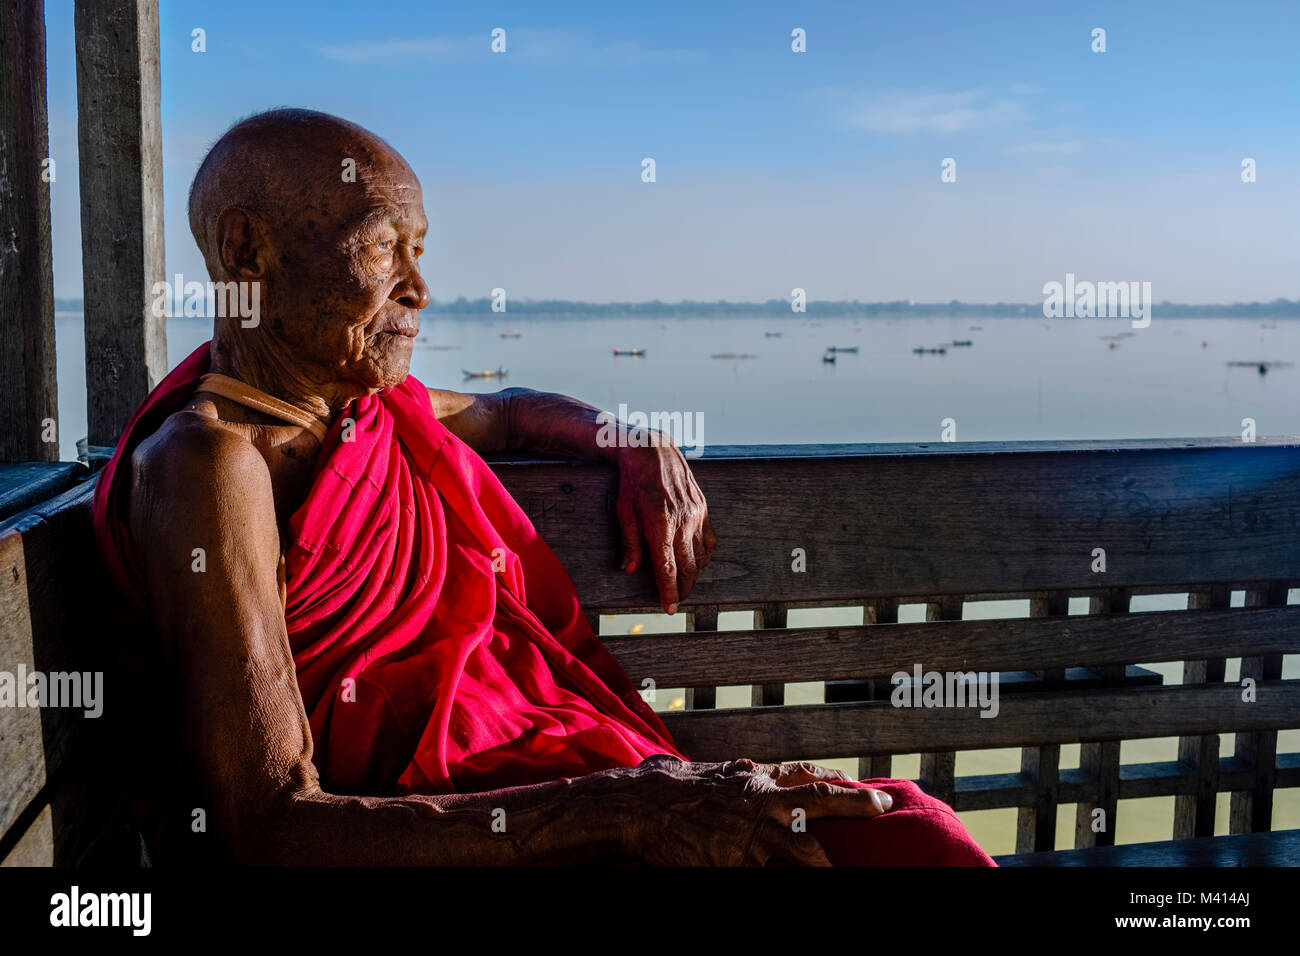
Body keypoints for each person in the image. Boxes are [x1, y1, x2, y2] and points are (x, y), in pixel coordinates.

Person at [93, 108, 994, 866]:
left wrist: (629, 440)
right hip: (452, 830)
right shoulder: (210, 465)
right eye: (380, 249)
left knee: (909, 831)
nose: (420, 288)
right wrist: (628, 808)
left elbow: (511, 414)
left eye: (419, 249)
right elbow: (268, 821)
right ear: (247, 249)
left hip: (531, 781)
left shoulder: (365, 409)